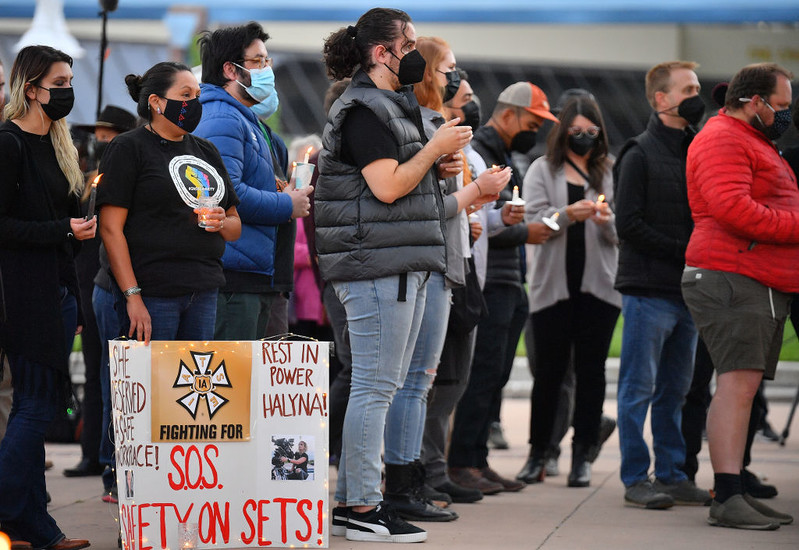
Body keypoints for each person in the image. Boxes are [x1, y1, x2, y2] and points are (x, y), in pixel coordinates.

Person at [316, 8, 472, 543]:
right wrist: (433, 150)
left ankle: (354, 500)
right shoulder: (364, 109)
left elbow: (399, 179)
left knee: (379, 385)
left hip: (393, 260)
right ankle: (361, 505)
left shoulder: (387, 104)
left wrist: (437, 164)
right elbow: (385, 187)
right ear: (382, 53)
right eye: (408, 44)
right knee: (376, 385)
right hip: (377, 264)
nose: (416, 54)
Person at [383, 36, 510, 521]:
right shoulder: (417, 126)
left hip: (447, 264)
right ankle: (396, 483)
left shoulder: (440, 126)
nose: (454, 79)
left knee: (422, 382)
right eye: (448, 69)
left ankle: (412, 479)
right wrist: (477, 192)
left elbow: (441, 206)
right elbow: (422, 208)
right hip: (424, 265)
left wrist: (470, 200)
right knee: (405, 383)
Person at [682, 62, 797, 530]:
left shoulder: (747, 139)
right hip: (731, 273)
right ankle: (727, 494)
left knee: (743, 386)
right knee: (736, 385)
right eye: (782, 107)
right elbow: (732, 209)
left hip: (748, 274)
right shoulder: (724, 137)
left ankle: (735, 489)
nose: (786, 115)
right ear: (757, 102)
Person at [0, 44, 94, 550]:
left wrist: (74, 300)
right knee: (36, 407)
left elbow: (63, 236)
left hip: (56, 291)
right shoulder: (8, 143)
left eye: (69, 82)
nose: (67, 92)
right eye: (59, 83)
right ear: (30, 87)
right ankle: (14, 509)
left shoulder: (59, 145)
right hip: (21, 293)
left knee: (35, 409)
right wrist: (62, 228)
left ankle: (34, 523)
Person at [613, 61, 711, 509]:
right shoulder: (638, 153)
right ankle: (637, 478)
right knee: (638, 390)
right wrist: (685, 249)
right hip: (648, 291)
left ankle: (672, 474)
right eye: (688, 88)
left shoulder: (698, 149)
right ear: (662, 99)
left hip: (687, 291)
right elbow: (628, 225)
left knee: (677, 390)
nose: (697, 94)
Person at [448, 81, 553, 494]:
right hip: (491, 278)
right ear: (509, 114)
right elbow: (480, 225)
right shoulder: (481, 153)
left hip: (509, 277)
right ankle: (462, 462)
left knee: (496, 375)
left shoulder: (508, 153)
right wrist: (528, 230)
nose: (535, 130)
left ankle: (477, 458)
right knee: (481, 374)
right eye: (532, 121)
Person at [97, 62, 241, 343]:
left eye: (197, 95)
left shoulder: (206, 150)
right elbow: (111, 229)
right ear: (156, 102)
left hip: (203, 287)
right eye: (186, 95)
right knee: (153, 383)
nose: (195, 103)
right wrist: (132, 295)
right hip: (153, 291)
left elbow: (235, 226)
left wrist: (222, 220)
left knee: (191, 383)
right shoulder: (128, 148)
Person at [519, 94, 621, 488]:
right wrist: (567, 215)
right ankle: (538, 453)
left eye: (590, 132)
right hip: (553, 288)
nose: (583, 139)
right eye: (575, 131)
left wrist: (605, 220)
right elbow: (534, 224)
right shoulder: (543, 169)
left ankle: (583, 455)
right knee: (549, 374)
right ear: (562, 132)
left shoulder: (607, 170)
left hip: (598, 288)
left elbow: (619, 234)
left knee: (592, 374)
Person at [194, 22, 311, 341]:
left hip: (258, 274)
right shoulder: (222, 118)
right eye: (257, 62)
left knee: (256, 386)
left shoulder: (246, 119)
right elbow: (224, 194)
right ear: (230, 70)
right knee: (235, 382)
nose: (267, 70)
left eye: (267, 61)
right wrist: (286, 204)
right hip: (236, 278)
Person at [65, 105, 137, 482]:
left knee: (116, 377)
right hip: (90, 284)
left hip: (115, 284)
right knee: (95, 375)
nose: (100, 145)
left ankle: (109, 457)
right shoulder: (85, 182)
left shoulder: (127, 174)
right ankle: (92, 451)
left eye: (109, 139)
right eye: (98, 139)